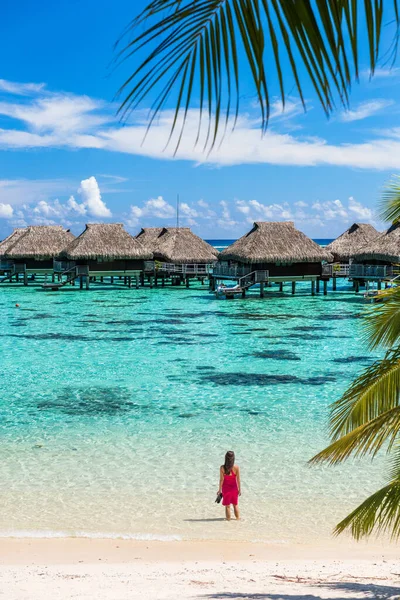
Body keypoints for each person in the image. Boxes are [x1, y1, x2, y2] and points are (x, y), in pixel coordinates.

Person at [218, 450, 241, 520]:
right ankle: (237, 519)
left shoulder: (222, 468)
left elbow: (221, 480)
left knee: (227, 506)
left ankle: (228, 520)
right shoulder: (236, 468)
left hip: (226, 489)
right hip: (234, 489)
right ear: (233, 458)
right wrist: (239, 489)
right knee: (235, 505)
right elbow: (238, 480)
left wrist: (219, 490)